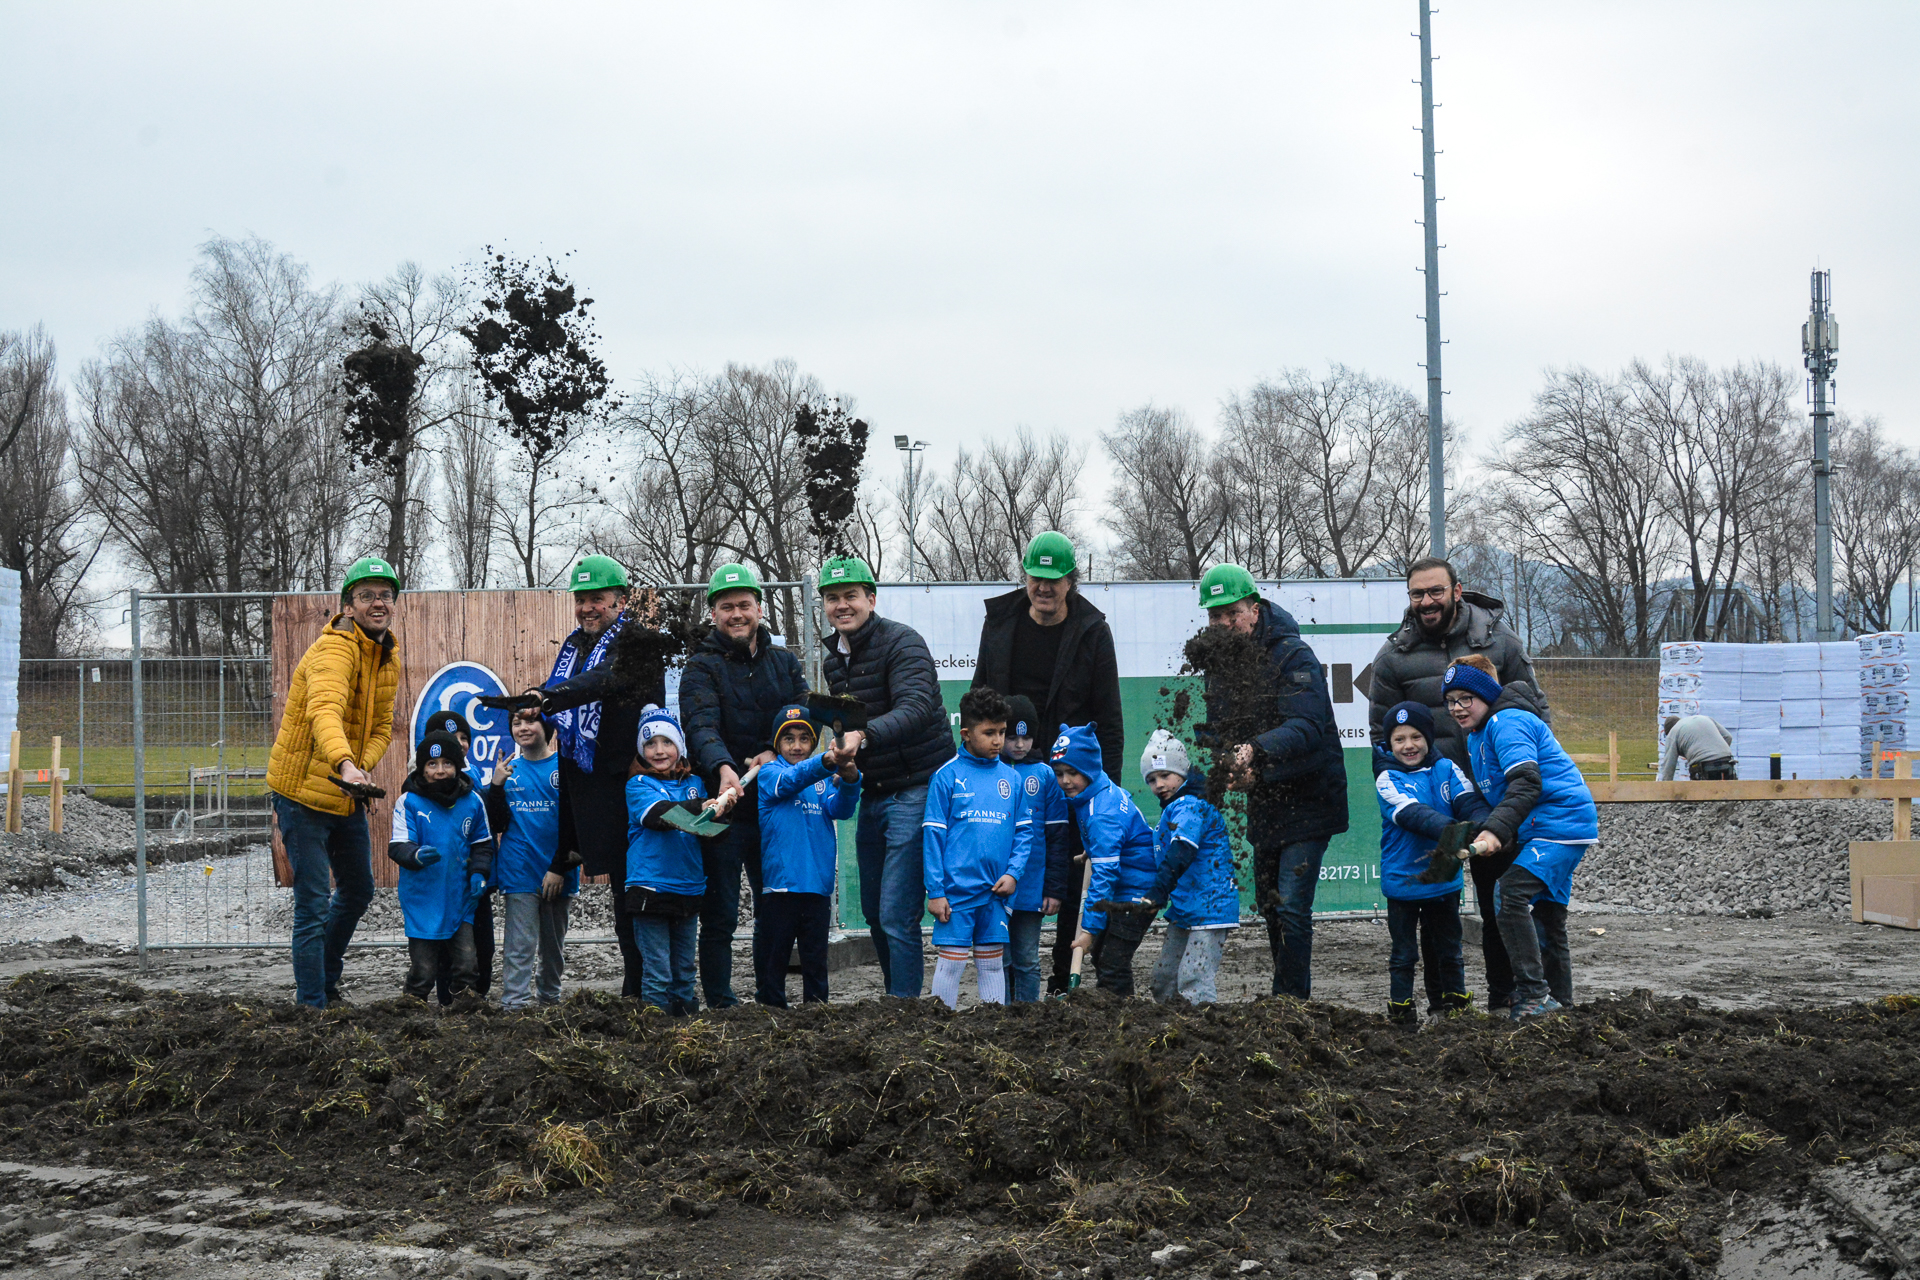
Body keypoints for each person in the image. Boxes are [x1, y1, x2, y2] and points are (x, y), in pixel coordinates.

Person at [1366, 556, 1548, 1014]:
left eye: (1435, 591)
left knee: (1500, 905)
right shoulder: (1393, 657)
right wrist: (1412, 793)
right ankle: (1443, 1004)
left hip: (1496, 802)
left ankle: (1507, 998)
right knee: (1437, 909)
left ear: (1457, 591)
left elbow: (1534, 711)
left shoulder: (1501, 642)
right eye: (1417, 594)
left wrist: (1520, 786)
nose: (1426, 601)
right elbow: (1380, 738)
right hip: (1434, 813)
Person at [969, 531, 1124, 995]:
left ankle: (1061, 981)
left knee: (1071, 876)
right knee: (1002, 867)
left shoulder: (1092, 631)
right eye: (1036, 578)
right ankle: (1002, 984)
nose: (1044, 588)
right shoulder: (1000, 623)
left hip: (1071, 776)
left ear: (1071, 581)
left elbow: (1109, 717)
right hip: (1007, 773)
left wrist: (1105, 792)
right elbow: (979, 696)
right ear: (1025, 577)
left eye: (1054, 580)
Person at [1195, 564, 1348, 999]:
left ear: (1255, 610)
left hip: (1311, 796)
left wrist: (1253, 752)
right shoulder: (1218, 664)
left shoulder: (1293, 655)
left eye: (1232, 613)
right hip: (1267, 797)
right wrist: (1233, 765)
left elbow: (1306, 728)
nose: (1224, 623)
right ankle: (1286, 997)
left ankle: (1291, 1003)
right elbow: (1220, 730)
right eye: (1215, 615)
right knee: (1271, 906)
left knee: (1293, 907)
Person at [817, 555, 956, 999]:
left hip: (917, 788)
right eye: (832, 598)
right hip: (873, 793)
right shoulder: (833, 662)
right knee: (875, 912)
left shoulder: (903, 642)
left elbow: (915, 708)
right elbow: (849, 726)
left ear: (871, 599)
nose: (842, 605)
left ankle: (905, 1007)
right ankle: (897, 997)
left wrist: (863, 737)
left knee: (896, 912)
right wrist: (844, 758)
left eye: (851, 596)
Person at [266, 555, 402, 1008]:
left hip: (345, 791)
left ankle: (323, 980)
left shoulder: (387, 658)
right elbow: (324, 711)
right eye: (366, 596)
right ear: (348, 606)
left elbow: (381, 727)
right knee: (312, 902)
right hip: (302, 794)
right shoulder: (334, 650)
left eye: (385, 595)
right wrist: (345, 763)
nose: (377, 603)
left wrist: (357, 770)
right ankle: (312, 1005)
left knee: (359, 889)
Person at [678, 562, 808, 1009]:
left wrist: (774, 749)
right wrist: (722, 767)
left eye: (744, 605)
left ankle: (770, 997)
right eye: (727, 606)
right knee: (721, 912)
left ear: (759, 609)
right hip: (725, 805)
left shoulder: (784, 663)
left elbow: (802, 718)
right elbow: (700, 724)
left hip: (774, 807)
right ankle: (720, 1001)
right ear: (713, 612)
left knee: (774, 908)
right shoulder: (700, 666)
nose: (737, 614)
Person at [1444, 657, 1598, 1020]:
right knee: (1548, 917)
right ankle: (1561, 1007)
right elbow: (1499, 795)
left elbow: (1527, 782)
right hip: (1544, 827)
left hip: (1560, 824)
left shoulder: (1507, 722)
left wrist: (1497, 830)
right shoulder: (1478, 734)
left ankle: (1533, 994)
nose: (1457, 708)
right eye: (1450, 701)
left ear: (1486, 694)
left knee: (1509, 893)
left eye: (1465, 698)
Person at [540, 554, 662, 1002]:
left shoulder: (639, 642)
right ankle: (635, 990)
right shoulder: (574, 646)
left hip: (635, 787)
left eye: (597, 599)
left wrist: (549, 695)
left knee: (639, 893)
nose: (587, 608)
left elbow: (605, 680)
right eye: (581, 599)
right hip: (592, 790)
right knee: (620, 897)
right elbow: (566, 718)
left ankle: (650, 989)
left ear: (621, 600)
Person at [1373, 700, 1489, 1024]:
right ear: (1389, 743)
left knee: (1449, 950)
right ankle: (1401, 1015)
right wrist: (1457, 832)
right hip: (1403, 883)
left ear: (1428, 737)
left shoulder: (1447, 768)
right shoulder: (1387, 778)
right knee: (1404, 955)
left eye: (1416, 736)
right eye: (1399, 739)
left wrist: (1486, 827)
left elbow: (1469, 802)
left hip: (1444, 880)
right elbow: (1414, 815)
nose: (1408, 745)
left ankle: (1453, 1010)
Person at [922, 687, 1033, 1009]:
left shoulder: (1012, 779)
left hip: (995, 892)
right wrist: (935, 891)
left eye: (1002, 732)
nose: (998, 741)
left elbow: (1024, 833)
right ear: (967, 734)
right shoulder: (946, 776)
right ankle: (940, 1027)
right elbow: (932, 838)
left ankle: (994, 1027)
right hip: (955, 893)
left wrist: (1013, 874)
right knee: (951, 963)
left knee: (993, 963)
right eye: (989, 733)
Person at [624, 705, 737, 1014]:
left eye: (667, 742)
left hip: (689, 888)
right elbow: (660, 815)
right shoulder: (638, 785)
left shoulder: (696, 784)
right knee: (658, 973)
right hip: (650, 889)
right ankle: (655, 1030)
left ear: (680, 746)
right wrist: (703, 806)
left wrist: (722, 813)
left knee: (685, 972)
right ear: (641, 749)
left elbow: (710, 833)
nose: (659, 750)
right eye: (650, 743)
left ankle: (686, 1030)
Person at [755, 704, 860, 1006]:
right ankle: (770, 1013)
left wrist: (850, 780)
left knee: (815, 962)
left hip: (817, 887)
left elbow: (841, 809)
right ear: (777, 743)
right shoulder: (770, 773)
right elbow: (790, 781)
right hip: (781, 888)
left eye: (804, 739)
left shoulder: (823, 779)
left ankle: (816, 1016)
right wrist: (826, 761)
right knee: (774, 960)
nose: (797, 746)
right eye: (789, 739)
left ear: (812, 743)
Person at [387, 731, 494, 1004]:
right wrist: (415, 855)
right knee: (424, 970)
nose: (440, 770)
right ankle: (411, 1010)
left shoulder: (473, 802)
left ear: (458, 766)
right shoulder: (408, 802)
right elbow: (398, 845)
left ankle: (462, 1012)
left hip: (460, 898)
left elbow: (483, 844)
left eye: (447, 763)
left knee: (468, 964)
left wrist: (479, 873)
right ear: (422, 768)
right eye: (432, 764)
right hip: (423, 899)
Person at [1136, 729, 1239, 1006]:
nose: (1159, 784)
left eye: (1165, 775)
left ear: (1182, 773)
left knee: (1194, 980)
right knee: (1163, 979)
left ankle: (1202, 1028)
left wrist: (1158, 891)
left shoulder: (1191, 805)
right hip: (1186, 908)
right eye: (1151, 779)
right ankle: (1172, 1029)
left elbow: (1182, 850)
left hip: (1211, 906)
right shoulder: (1173, 808)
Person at [1057, 723, 1158, 997]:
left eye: (1073, 772)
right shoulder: (1100, 790)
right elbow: (1119, 836)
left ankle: (1122, 1013)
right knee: (1103, 954)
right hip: (1126, 880)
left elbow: (1104, 876)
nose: (1065, 781)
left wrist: (1088, 930)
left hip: (1138, 891)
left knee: (1113, 962)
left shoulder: (1102, 814)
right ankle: (1113, 1008)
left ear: (1089, 769)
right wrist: (1094, 850)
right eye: (1059, 773)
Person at [484, 707, 575, 1010]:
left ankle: (549, 1001)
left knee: (553, 947)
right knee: (519, 946)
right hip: (519, 869)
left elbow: (576, 825)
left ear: (547, 726)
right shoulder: (508, 770)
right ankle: (515, 1006)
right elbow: (497, 824)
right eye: (516, 722)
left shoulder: (566, 768)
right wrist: (496, 787)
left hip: (558, 872)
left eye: (530, 720)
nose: (523, 727)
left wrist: (560, 867)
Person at [420, 707, 498, 1000]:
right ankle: (448, 1001)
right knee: (445, 948)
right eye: (451, 737)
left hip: (476, 879)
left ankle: (476, 1000)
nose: (459, 743)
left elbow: (486, 831)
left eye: (464, 737)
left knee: (483, 946)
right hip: (440, 883)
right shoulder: (418, 787)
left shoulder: (473, 777)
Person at [1000, 695, 1070, 1003]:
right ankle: (999, 1015)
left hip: (1032, 888)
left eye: (1026, 737)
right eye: (1011, 737)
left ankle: (1028, 1017)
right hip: (994, 886)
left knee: (1027, 959)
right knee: (998, 959)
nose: (1019, 744)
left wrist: (1054, 889)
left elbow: (1058, 839)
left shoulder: (1045, 775)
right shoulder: (989, 771)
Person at [1659, 714, 1736, 781]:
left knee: (1702, 793)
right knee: (1729, 792)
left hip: (1704, 766)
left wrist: (1665, 789)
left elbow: (1668, 767)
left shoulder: (1673, 733)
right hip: (1726, 761)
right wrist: (1717, 755)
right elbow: (1728, 737)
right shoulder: (1704, 718)